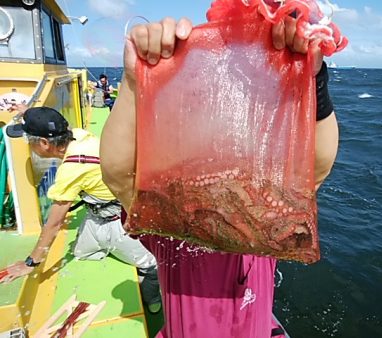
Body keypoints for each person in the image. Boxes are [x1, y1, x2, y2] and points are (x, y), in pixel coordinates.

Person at [100, 13, 339, 338]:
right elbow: (118, 176)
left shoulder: (268, 230)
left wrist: (314, 81)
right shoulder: (174, 234)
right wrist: (132, 82)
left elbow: (316, 168)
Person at [0, 107, 161, 313]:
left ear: (44, 143)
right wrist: (26, 113)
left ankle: (152, 298)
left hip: (114, 225)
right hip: (106, 212)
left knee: (153, 264)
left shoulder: (70, 170)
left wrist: (30, 263)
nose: (28, 146)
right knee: (84, 252)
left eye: (28, 140)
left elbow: (54, 224)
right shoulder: (78, 135)